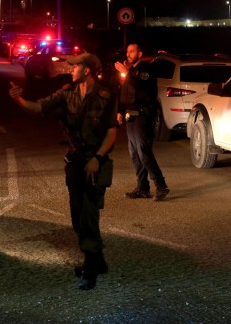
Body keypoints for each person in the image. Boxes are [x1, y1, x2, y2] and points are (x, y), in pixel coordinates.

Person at [9, 53, 118, 291]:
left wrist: (98, 158)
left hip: (95, 162)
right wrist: (19, 99)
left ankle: (90, 269)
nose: (70, 69)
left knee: (89, 215)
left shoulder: (105, 96)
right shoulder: (66, 93)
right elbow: (38, 107)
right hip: (75, 163)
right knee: (78, 217)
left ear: (87, 70)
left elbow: (111, 131)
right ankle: (98, 261)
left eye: (75, 65)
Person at [114, 43, 170, 202]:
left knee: (144, 152)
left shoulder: (146, 70)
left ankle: (161, 186)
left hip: (142, 116)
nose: (128, 54)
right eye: (127, 51)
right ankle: (143, 187)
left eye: (132, 51)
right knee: (134, 154)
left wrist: (128, 73)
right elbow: (123, 92)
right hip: (129, 116)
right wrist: (119, 110)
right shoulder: (130, 71)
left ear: (140, 53)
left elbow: (144, 92)